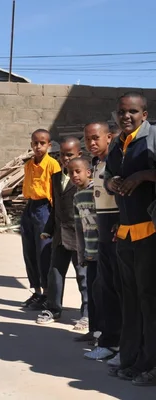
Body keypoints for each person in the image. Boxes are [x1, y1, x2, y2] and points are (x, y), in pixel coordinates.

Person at [104, 92, 156, 386]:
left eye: (133, 112)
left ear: (144, 115)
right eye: (122, 112)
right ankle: (132, 360)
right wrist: (110, 182)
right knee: (131, 301)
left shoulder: (152, 138)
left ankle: (151, 365)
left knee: (150, 302)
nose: (126, 116)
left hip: (149, 233)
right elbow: (109, 176)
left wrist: (146, 175)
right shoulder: (117, 144)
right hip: (125, 234)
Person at [35, 138, 89, 333]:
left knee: (83, 276)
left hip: (78, 235)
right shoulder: (56, 177)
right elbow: (56, 207)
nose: (65, 159)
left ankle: (87, 313)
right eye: (61, 155)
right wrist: (48, 229)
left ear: (79, 155)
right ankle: (53, 308)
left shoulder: (83, 180)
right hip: (59, 234)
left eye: (69, 155)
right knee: (55, 273)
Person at [83, 122, 122, 363]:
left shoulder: (116, 163)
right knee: (104, 288)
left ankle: (120, 344)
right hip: (103, 232)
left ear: (109, 137)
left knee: (120, 290)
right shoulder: (97, 164)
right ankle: (108, 341)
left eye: (96, 138)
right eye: (87, 139)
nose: (91, 143)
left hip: (119, 230)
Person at [20, 129, 61, 308]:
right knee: (29, 250)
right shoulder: (28, 165)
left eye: (42, 143)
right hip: (30, 207)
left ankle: (46, 292)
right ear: (31, 145)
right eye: (35, 143)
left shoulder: (53, 165)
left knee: (43, 251)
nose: (38, 146)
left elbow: (57, 192)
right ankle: (36, 290)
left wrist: (55, 217)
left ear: (49, 145)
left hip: (45, 208)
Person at [69, 158, 101, 346]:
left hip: (102, 250)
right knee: (92, 292)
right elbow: (79, 227)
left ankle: (103, 334)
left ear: (88, 172)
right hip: (89, 252)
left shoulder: (97, 191)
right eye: (70, 172)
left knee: (102, 294)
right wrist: (81, 254)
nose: (74, 176)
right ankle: (93, 330)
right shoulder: (77, 197)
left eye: (77, 171)